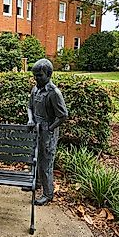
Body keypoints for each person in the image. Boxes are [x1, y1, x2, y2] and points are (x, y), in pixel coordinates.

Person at [26, 58, 68, 206]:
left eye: (39, 75)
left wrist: (50, 129)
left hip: (48, 133)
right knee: (35, 157)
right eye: (35, 75)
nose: (36, 78)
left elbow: (63, 116)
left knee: (46, 163)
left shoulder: (54, 93)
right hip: (36, 129)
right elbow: (30, 106)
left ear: (49, 74)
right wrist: (31, 120)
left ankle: (48, 193)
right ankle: (36, 183)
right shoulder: (35, 89)